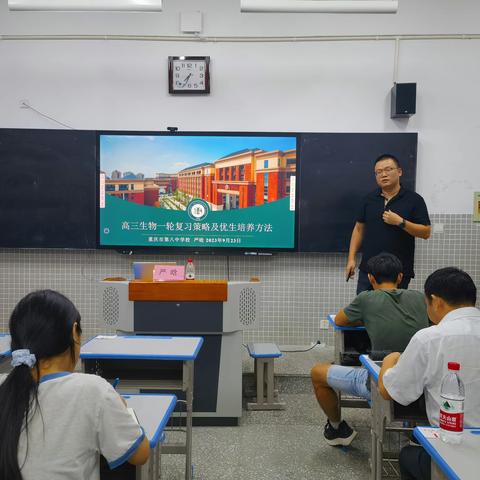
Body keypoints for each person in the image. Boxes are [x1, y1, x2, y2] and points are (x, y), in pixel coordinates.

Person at [0, 290, 150, 480]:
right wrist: (121, 406)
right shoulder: (94, 390)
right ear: (74, 332)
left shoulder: (4, 385)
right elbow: (141, 454)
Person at [311, 253, 429, 446]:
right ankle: (413, 432)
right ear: (400, 277)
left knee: (318, 373)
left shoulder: (366, 299)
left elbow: (340, 320)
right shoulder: (418, 298)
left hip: (380, 384)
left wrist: (367, 317)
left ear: (370, 278)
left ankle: (336, 429)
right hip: (419, 387)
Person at [378, 267, 480, 480]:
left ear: (436, 301)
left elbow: (390, 391)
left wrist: (389, 360)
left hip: (455, 450)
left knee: (408, 455)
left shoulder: (430, 338)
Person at [345, 154, 431, 294]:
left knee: (391, 313)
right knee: (364, 310)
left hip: (398, 272)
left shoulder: (414, 200)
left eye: (388, 169)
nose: (383, 174)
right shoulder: (368, 199)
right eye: (378, 172)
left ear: (399, 172)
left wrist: (401, 222)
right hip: (369, 270)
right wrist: (351, 259)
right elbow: (359, 229)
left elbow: (426, 232)